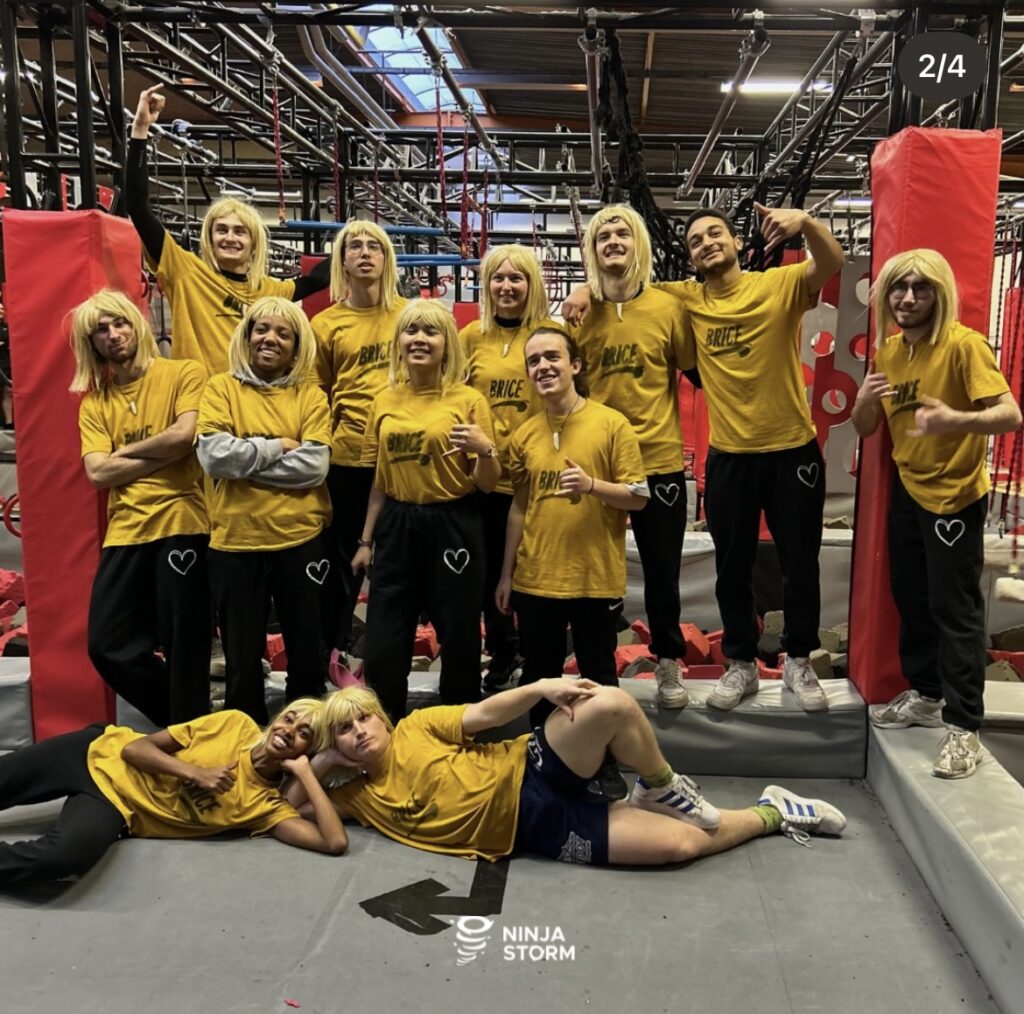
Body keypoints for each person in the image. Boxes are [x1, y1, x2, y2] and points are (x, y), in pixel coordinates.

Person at [290, 682, 846, 867]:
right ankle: (774, 810)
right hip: (540, 829)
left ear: (383, 719)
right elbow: (294, 804)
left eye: (364, 719)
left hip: (531, 767)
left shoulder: (416, 727)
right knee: (682, 845)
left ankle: (660, 785)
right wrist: (322, 763)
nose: (359, 732)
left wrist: (541, 687)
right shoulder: (356, 797)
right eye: (344, 732)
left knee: (610, 704)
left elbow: (485, 714)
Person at [852, 249, 1021, 779]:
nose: (907, 298)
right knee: (911, 597)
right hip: (909, 488)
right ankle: (926, 694)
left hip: (955, 496)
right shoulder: (889, 351)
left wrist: (955, 420)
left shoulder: (964, 345)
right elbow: (865, 428)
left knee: (955, 609)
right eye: (898, 288)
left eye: (920, 288)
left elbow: (1010, 414)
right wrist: (863, 398)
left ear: (939, 293)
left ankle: (964, 725)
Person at [497, 325, 648, 798]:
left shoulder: (611, 424)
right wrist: (506, 573)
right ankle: (544, 762)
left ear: (575, 365)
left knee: (598, 677)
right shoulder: (524, 433)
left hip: (594, 579)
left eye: (552, 357)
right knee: (540, 678)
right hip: (536, 579)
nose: (543, 366)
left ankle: (603, 764)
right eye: (534, 360)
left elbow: (638, 497)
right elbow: (519, 507)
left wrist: (592, 486)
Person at [0, 699, 346, 887]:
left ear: (308, 751)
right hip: (92, 751)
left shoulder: (266, 807)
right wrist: (196, 773)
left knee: (62, 858)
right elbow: (135, 750)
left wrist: (312, 770)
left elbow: (334, 843)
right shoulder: (235, 724)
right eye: (289, 719)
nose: (289, 730)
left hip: (115, 806)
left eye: (304, 734)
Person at [568, 205, 693, 710]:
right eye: (603, 236)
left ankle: (668, 660)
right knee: (595, 573)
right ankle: (596, 668)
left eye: (622, 233)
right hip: (598, 464)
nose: (613, 241)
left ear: (638, 242)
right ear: (592, 250)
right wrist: (583, 290)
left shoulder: (667, 308)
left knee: (663, 572)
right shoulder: (579, 314)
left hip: (658, 460)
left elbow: (692, 371)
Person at [353, 299, 499, 722]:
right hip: (397, 523)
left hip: (454, 523)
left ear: (447, 343)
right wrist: (366, 540)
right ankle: (384, 733)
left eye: (431, 332)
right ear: (398, 342)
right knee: (383, 643)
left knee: (460, 639)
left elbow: (487, 483)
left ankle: (455, 731)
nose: (419, 339)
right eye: (411, 330)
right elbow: (380, 480)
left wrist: (485, 450)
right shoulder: (383, 400)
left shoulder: (468, 399)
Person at [71, 289, 211, 726]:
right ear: (91, 344)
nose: (113, 335)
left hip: (182, 523)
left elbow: (185, 436)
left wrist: (124, 454)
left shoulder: (184, 372)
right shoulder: (95, 404)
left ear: (137, 325)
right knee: (106, 646)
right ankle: (187, 722)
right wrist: (163, 450)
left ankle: (192, 734)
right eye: (101, 330)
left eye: (120, 323)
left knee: (185, 645)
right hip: (126, 531)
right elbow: (97, 473)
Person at [127, 85, 331, 376]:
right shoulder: (186, 272)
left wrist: (355, 239)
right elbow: (138, 207)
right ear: (210, 239)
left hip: (249, 398)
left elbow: (314, 281)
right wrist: (140, 130)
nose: (230, 238)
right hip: (200, 399)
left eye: (240, 231)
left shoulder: (266, 290)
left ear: (253, 243)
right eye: (221, 230)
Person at [196, 296, 332, 724]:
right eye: (262, 329)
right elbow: (214, 458)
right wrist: (278, 446)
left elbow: (314, 467)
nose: (270, 339)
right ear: (247, 336)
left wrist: (246, 462)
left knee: (307, 656)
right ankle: (244, 737)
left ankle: (308, 734)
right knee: (241, 660)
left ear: (296, 346)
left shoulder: (310, 395)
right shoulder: (220, 389)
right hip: (235, 542)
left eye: (283, 334)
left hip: (300, 540)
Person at [459, 244, 560, 692]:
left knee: (533, 573)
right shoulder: (470, 337)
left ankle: (539, 659)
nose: (506, 286)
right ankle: (503, 654)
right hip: (484, 477)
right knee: (487, 578)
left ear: (532, 284)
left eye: (516, 278)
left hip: (535, 473)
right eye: (498, 278)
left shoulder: (550, 333)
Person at [311, 221, 406, 665]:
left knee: (398, 567)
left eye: (374, 246)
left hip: (404, 460)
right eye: (355, 246)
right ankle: (332, 653)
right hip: (348, 459)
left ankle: (386, 659)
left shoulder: (409, 317)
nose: (365, 252)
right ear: (342, 261)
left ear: (387, 259)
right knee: (344, 566)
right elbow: (317, 392)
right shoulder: (326, 324)